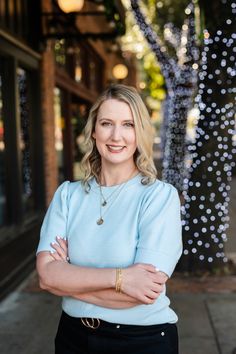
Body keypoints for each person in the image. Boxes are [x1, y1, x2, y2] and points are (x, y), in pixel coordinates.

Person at [36, 84, 183, 354]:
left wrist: (68, 282)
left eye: (128, 124)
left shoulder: (159, 197)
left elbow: (144, 292)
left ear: (139, 132)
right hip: (72, 337)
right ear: (94, 131)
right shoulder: (68, 195)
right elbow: (46, 276)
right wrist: (121, 278)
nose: (117, 136)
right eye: (106, 123)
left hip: (142, 340)